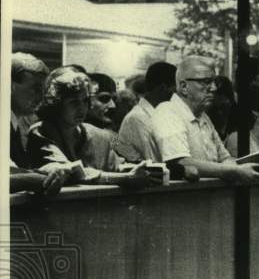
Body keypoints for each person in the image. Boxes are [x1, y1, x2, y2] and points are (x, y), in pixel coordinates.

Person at [26, 66, 155, 189]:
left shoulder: (102, 135)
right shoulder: (41, 131)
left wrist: (142, 170)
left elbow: (117, 165)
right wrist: (125, 178)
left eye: (85, 100)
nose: (82, 108)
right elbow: (73, 172)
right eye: (73, 102)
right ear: (56, 104)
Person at [150, 55, 259, 184]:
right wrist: (234, 171)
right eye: (205, 82)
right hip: (179, 200)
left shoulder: (204, 117)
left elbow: (225, 158)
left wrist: (232, 167)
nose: (213, 88)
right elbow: (182, 162)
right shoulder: (167, 112)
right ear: (184, 86)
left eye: (214, 82)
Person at [115, 61, 177, 163]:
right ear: (163, 88)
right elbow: (155, 161)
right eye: (175, 90)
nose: (177, 95)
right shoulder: (138, 118)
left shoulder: (159, 114)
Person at [10, 52, 49, 169]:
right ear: (10, 85)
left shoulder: (13, 122)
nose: (41, 96)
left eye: (43, 90)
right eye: (35, 88)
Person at [207, 75, 237, 140]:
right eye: (216, 108)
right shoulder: (207, 115)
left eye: (223, 106)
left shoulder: (238, 116)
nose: (220, 112)